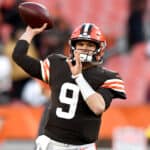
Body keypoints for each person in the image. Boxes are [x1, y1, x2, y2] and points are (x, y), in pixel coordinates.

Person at [12, 22, 126, 150]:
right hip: (53, 144)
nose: (84, 48)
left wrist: (79, 77)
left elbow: (98, 107)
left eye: (90, 45)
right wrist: (29, 33)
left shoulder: (108, 77)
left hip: (83, 147)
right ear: (73, 46)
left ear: (99, 48)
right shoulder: (57, 64)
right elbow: (19, 57)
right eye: (81, 44)